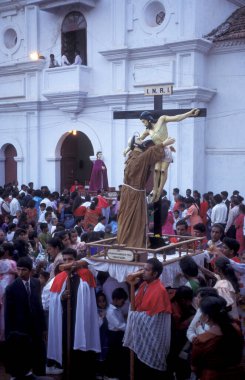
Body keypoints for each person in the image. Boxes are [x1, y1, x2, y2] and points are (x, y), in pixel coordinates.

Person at [47, 248, 101, 379]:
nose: (67, 262)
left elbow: (89, 300)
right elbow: (52, 300)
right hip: (66, 320)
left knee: (81, 351)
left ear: (75, 260)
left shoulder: (85, 275)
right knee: (67, 347)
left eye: (70, 259)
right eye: (64, 260)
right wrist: (61, 298)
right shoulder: (59, 278)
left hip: (81, 319)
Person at [124, 109, 199, 202]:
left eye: (143, 121)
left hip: (166, 149)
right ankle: (155, 189)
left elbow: (177, 118)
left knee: (163, 171)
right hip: (158, 151)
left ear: (148, 119)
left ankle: (159, 191)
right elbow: (136, 141)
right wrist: (126, 149)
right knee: (156, 170)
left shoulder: (162, 119)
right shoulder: (148, 130)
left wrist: (189, 113)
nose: (143, 123)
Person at [117, 135, 175, 248]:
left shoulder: (137, 156)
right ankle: (130, 242)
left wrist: (165, 147)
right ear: (134, 144)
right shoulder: (136, 158)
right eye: (139, 139)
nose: (141, 140)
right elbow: (147, 155)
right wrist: (163, 144)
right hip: (132, 194)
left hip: (135, 192)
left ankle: (135, 240)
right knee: (132, 219)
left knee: (137, 220)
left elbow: (148, 155)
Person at [123, 258, 172, 379]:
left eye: (146, 270)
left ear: (155, 274)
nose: (143, 272)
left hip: (152, 338)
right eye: (143, 269)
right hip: (141, 334)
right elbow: (135, 305)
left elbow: (154, 319)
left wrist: (133, 316)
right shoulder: (145, 284)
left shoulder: (160, 290)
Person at [4, 256, 47, 376]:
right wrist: (10, 335)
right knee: (23, 359)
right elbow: (9, 314)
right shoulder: (11, 288)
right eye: (18, 269)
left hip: (36, 328)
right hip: (20, 329)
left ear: (30, 271)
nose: (20, 272)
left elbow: (39, 306)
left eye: (24, 270)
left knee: (38, 357)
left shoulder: (35, 283)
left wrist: (43, 327)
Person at [191, 296, 245, 380]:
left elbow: (195, 367)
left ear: (207, 316)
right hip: (237, 374)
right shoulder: (236, 328)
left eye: (201, 313)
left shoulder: (202, 340)